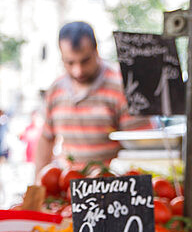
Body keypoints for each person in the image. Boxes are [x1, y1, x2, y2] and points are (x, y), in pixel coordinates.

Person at [33, 22, 143, 174]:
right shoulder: (55, 90)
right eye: (70, 62)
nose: (78, 71)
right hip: (70, 186)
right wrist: (38, 182)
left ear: (96, 51)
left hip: (113, 184)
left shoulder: (122, 86)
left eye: (85, 61)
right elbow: (46, 138)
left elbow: (138, 144)